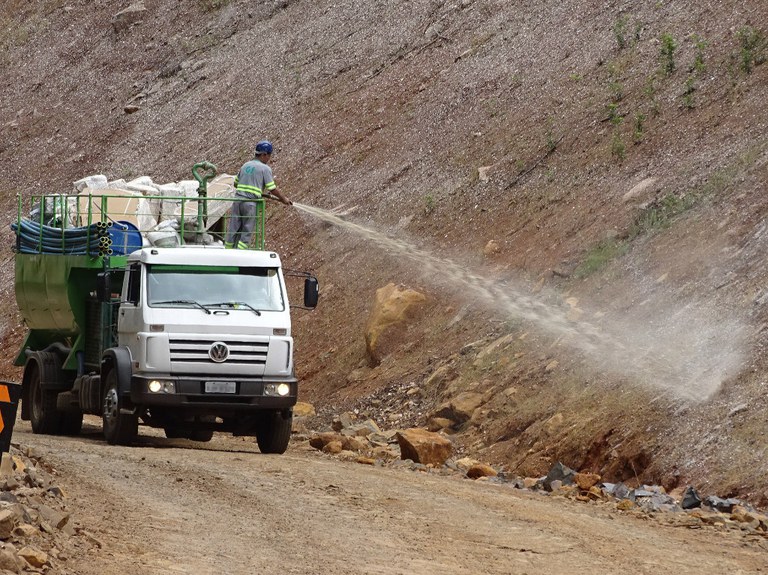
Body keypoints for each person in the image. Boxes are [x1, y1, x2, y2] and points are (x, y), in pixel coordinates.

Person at [225, 140, 292, 249]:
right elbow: (272, 188)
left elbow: (236, 183)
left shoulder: (245, 165)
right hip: (250, 204)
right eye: (269, 155)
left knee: (233, 228)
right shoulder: (265, 169)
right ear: (264, 154)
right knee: (247, 231)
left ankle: (227, 251)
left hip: (237, 201)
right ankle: (241, 253)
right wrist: (283, 199)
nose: (269, 158)